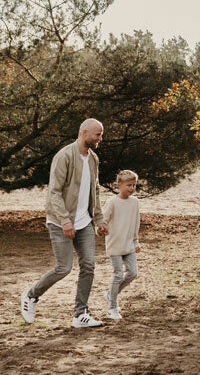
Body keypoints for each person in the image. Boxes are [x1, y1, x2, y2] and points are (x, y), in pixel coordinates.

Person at [19, 118, 109, 328]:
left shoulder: (93, 159)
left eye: (101, 134)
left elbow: (94, 190)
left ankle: (80, 314)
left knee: (88, 266)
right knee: (64, 268)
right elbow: (54, 192)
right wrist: (66, 221)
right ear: (84, 133)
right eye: (97, 134)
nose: (100, 139)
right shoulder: (64, 156)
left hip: (84, 222)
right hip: (60, 222)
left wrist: (99, 219)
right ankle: (31, 296)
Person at [102, 169, 141, 321]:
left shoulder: (135, 202)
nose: (131, 188)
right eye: (128, 185)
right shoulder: (112, 202)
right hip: (115, 244)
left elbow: (136, 222)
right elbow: (103, 220)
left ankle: (110, 294)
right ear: (119, 185)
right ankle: (112, 308)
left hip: (129, 244)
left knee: (132, 273)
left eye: (134, 186)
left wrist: (136, 240)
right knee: (118, 275)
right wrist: (102, 228)